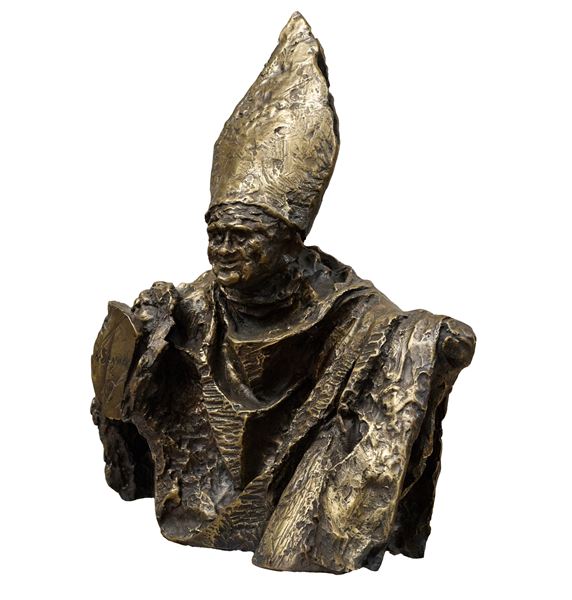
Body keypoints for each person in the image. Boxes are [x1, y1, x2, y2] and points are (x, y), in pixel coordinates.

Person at [91, 12, 475, 573]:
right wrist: (134, 355)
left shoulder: (355, 319)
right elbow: (127, 408)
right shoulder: (188, 311)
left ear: (290, 244)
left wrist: (431, 341)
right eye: (215, 235)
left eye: (242, 236)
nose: (223, 250)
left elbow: (399, 338)